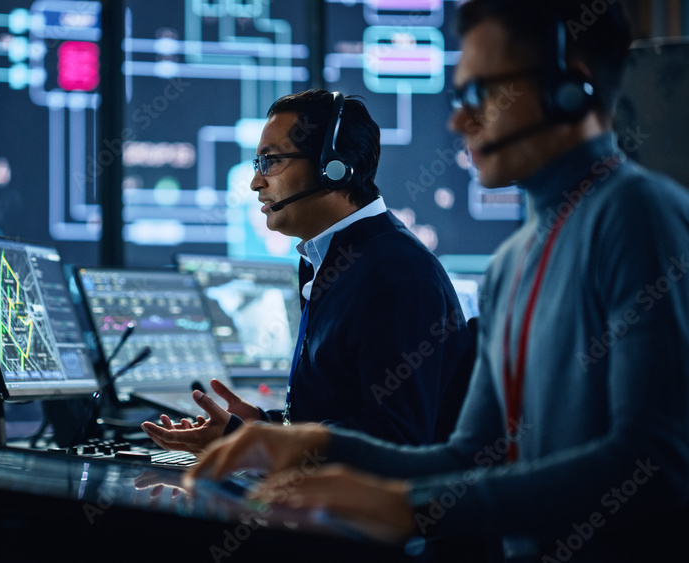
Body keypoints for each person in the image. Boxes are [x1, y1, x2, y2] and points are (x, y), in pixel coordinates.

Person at [185, 1, 689, 560]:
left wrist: (409, 507)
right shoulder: (510, 263)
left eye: (483, 93)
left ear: (571, 85)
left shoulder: (636, 215)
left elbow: (652, 465)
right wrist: (309, 441)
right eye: (458, 97)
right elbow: (464, 456)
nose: (458, 121)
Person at [142, 90, 475, 453]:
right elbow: (334, 414)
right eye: (257, 164)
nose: (256, 182)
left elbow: (395, 441)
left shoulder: (396, 275)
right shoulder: (328, 259)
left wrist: (259, 447)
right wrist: (257, 426)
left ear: (333, 167)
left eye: (270, 162)